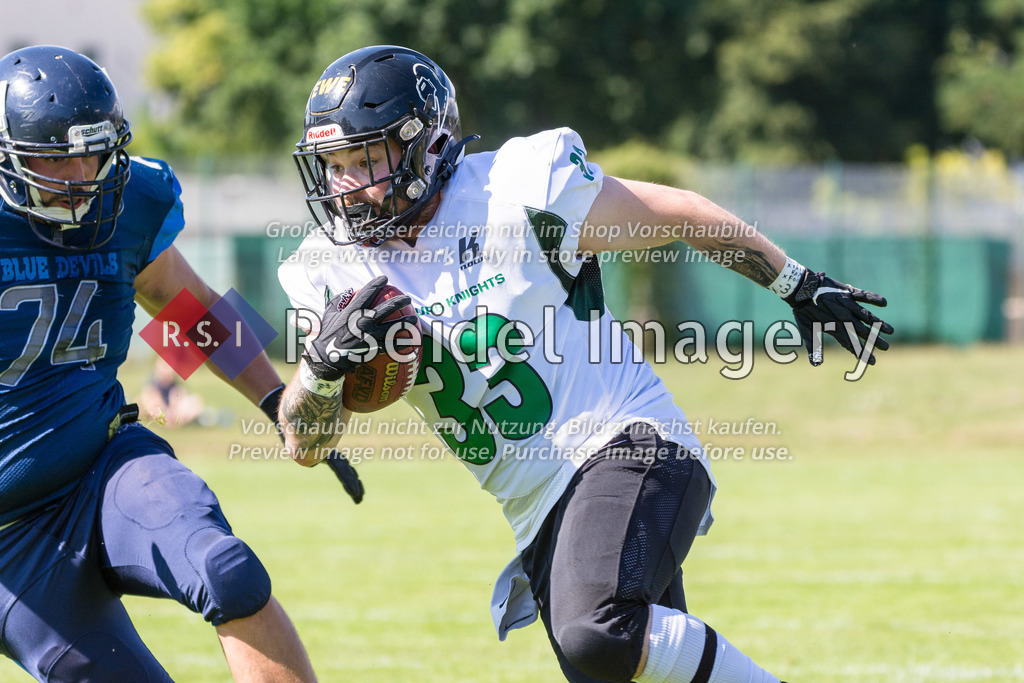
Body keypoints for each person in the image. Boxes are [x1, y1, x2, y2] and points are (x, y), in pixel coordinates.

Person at [277, 45, 893, 683]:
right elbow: (303, 441)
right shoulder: (330, 270)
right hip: (537, 507)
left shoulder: (516, 192)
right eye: (333, 165)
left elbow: (677, 214)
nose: (345, 186)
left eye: (364, 159)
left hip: (626, 439)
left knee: (595, 631)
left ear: (425, 146)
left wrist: (795, 282)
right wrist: (320, 370)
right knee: (619, 663)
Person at [0, 45, 320, 682]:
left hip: (105, 467)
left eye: (95, 152)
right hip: (10, 542)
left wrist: (273, 401)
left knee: (227, 569)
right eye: (56, 159)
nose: (83, 174)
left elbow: (187, 306)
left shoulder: (130, 201)